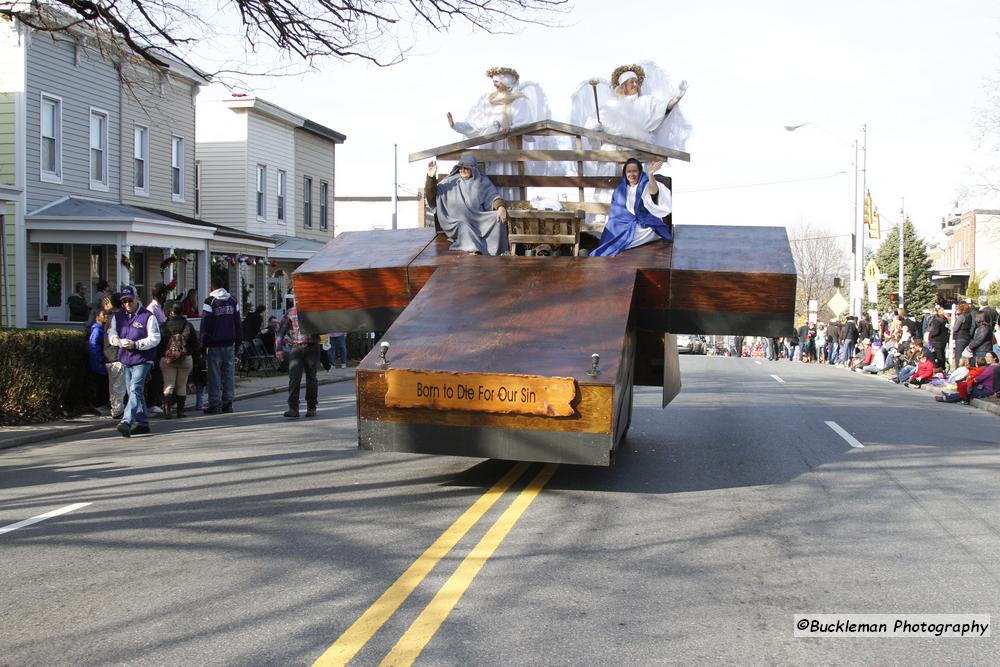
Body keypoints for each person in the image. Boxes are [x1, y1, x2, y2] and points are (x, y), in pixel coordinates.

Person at [425, 155, 509, 256]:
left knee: (497, 220)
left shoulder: (482, 181)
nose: (462, 170)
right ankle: (474, 250)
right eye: (460, 167)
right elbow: (432, 195)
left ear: (473, 168)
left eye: (466, 168)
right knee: (464, 227)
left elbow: (493, 196)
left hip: (478, 219)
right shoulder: (450, 181)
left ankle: (499, 254)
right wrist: (430, 177)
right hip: (456, 221)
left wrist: (500, 207)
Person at [108, 285, 160, 437]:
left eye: (130, 300)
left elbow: (155, 338)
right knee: (135, 391)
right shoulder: (119, 316)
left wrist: (137, 344)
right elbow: (112, 333)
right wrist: (116, 341)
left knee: (135, 388)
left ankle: (126, 420)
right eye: (124, 301)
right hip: (126, 358)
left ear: (136, 298)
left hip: (143, 358)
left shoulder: (148, 316)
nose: (127, 304)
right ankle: (143, 422)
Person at [591, 158, 672, 256]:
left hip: (643, 224)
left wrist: (650, 174)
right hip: (623, 223)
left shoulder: (645, 184)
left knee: (640, 232)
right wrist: (616, 223)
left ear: (639, 172)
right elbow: (616, 213)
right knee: (611, 227)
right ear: (625, 173)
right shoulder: (620, 189)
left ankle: (613, 249)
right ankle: (604, 251)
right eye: (629, 171)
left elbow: (653, 191)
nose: (632, 174)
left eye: (634, 171)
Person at [200, 276, 241, 414]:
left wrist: (203, 342)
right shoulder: (233, 300)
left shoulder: (210, 301)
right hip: (230, 343)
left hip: (214, 344)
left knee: (214, 376)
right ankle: (228, 403)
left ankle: (215, 404)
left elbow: (205, 323)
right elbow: (237, 322)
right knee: (229, 374)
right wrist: (239, 341)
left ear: (212, 287)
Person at [276, 296, 320, 418]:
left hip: (306, 347)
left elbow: (280, 332)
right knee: (300, 378)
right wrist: (278, 349)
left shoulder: (306, 311)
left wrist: (279, 349)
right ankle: (299, 408)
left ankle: (306, 408)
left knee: (305, 378)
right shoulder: (295, 311)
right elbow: (280, 332)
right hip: (303, 347)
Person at [158, 301, 199, 419]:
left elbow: (160, 344)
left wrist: (161, 357)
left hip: (168, 359)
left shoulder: (164, 326)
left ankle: (167, 410)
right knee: (182, 385)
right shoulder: (188, 326)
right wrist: (196, 360)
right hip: (185, 358)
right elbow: (195, 345)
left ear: (171, 311)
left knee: (168, 384)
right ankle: (180, 411)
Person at [87, 308, 110, 414]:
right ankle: (99, 406)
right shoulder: (97, 330)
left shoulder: (103, 329)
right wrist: (100, 361)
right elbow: (94, 347)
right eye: (103, 314)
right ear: (97, 317)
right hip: (99, 364)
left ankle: (103, 405)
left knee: (104, 385)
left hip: (102, 362)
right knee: (101, 385)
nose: (105, 316)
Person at [926, 305, 950, 372]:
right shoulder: (945, 320)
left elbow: (936, 331)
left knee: (938, 355)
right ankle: (943, 368)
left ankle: (939, 368)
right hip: (944, 340)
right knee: (942, 354)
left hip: (937, 340)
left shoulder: (936, 320)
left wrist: (930, 335)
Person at [952, 301, 973, 365]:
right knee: (966, 356)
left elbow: (955, 328)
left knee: (959, 356)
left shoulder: (961, 316)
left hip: (960, 337)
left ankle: (959, 369)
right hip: (967, 337)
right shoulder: (969, 316)